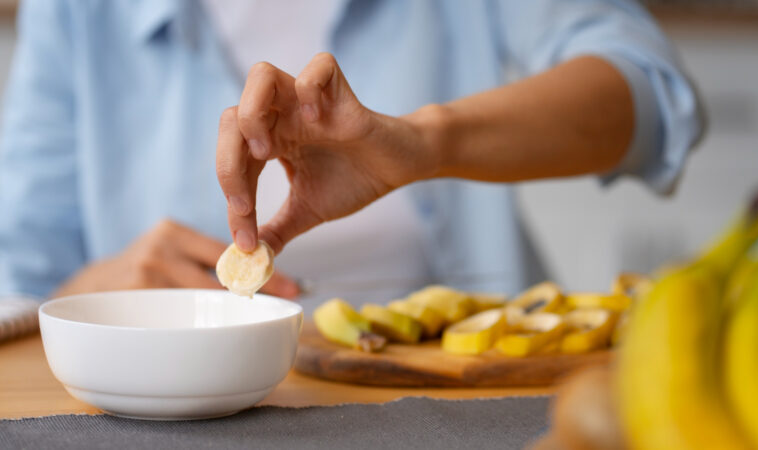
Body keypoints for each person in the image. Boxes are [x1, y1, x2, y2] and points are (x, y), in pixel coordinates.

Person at [0, 0, 702, 307]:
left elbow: (651, 94)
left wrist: (425, 143)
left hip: (458, 411)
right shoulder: (76, 9)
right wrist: (95, 298)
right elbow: (20, 289)